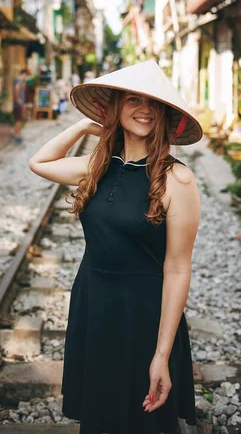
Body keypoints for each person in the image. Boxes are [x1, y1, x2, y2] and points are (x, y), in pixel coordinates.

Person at [29, 59, 202, 434]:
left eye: (152, 103)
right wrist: (83, 125)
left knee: (143, 420)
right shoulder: (98, 165)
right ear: (116, 108)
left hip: (142, 314)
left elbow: (177, 268)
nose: (143, 110)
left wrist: (162, 353)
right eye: (132, 101)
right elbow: (39, 162)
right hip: (94, 303)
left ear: (163, 115)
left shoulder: (178, 180)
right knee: (100, 415)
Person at [13, 67, 29, 144]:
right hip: (18, 104)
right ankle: (17, 136)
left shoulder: (19, 81)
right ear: (24, 74)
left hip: (18, 104)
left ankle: (17, 135)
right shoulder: (19, 81)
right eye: (26, 76)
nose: (25, 78)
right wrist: (18, 99)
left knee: (18, 120)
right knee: (18, 121)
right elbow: (16, 89)